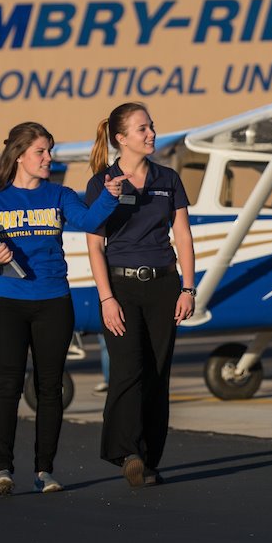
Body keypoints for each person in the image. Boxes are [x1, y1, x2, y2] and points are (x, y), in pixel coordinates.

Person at [0, 121, 127, 497]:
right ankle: (2, 469)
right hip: (7, 303)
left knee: (49, 388)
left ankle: (45, 470)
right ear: (20, 155)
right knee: (7, 386)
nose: (48, 158)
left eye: (49, 151)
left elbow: (88, 220)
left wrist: (110, 194)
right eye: (41, 152)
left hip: (53, 301)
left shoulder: (59, 194)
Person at [84, 102, 196, 487]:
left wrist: (188, 287)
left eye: (151, 127)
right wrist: (106, 298)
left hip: (164, 286)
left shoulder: (169, 178)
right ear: (121, 138)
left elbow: (182, 235)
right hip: (121, 287)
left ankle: (148, 459)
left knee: (157, 373)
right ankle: (127, 451)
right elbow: (95, 245)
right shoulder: (102, 184)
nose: (151, 134)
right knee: (128, 370)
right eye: (142, 129)